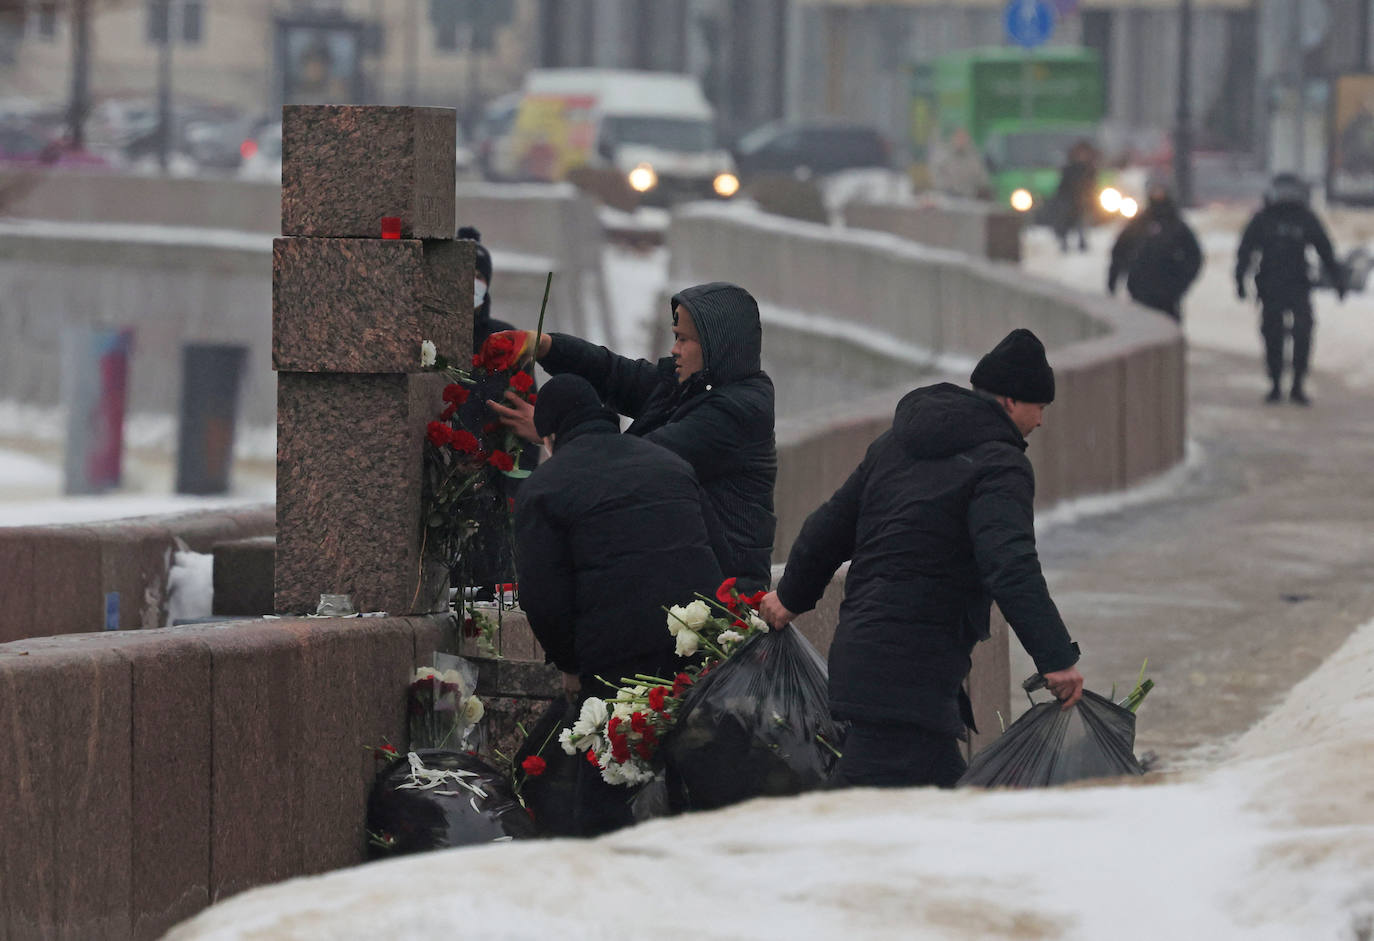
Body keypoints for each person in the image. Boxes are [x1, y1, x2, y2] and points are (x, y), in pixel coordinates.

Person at [758, 328, 1085, 789]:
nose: (1042, 421)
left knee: (916, 813)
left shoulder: (894, 444)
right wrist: (1055, 658)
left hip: (867, 661)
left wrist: (790, 596)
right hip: (910, 676)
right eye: (1040, 407)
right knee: (883, 820)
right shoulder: (1001, 464)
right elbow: (1010, 564)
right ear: (1011, 402)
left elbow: (828, 526)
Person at [514, 374, 724, 836]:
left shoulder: (545, 488)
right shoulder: (669, 463)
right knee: (695, 773)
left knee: (610, 785)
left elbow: (543, 597)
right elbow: (715, 549)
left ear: (549, 436)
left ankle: (612, 885)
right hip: (699, 642)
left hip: (616, 656)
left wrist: (569, 663)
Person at [487, 281, 777, 592]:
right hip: (687, 584)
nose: (674, 349)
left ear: (716, 344)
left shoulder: (735, 413)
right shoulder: (688, 387)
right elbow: (616, 375)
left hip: (723, 599)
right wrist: (546, 346)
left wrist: (556, 431)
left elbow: (633, 466)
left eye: (683, 339)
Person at [1235, 173, 1346, 405]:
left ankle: (1297, 383)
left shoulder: (1304, 219)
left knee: (1302, 334)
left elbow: (1324, 249)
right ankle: (1275, 382)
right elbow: (1245, 250)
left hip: (1298, 285)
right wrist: (1240, 279)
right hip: (1270, 286)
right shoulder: (1264, 219)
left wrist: (1338, 279)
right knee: (1273, 335)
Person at [1107, 183, 1203, 321]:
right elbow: (1119, 252)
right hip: (1140, 292)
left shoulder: (1176, 226)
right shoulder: (1138, 224)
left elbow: (1194, 257)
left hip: (1169, 295)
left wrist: (1181, 283)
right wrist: (1114, 280)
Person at [1052, 139, 1098, 253]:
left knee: (1080, 222)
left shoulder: (1089, 169)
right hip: (1068, 199)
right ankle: (1064, 242)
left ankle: (1082, 242)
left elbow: (1092, 185)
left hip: (1081, 201)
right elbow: (1063, 185)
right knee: (1065, 222)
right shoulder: (1069, 169)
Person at [931, 128, 991, 201]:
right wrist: (949, 189)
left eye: (964, 138)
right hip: (949, 198)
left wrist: (984, 188)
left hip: (971, 198)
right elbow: (937, 177)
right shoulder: (944, 157)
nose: (961, 141)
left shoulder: (973, 158)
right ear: (953, 138)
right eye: (959, 138)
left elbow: (982, 177)